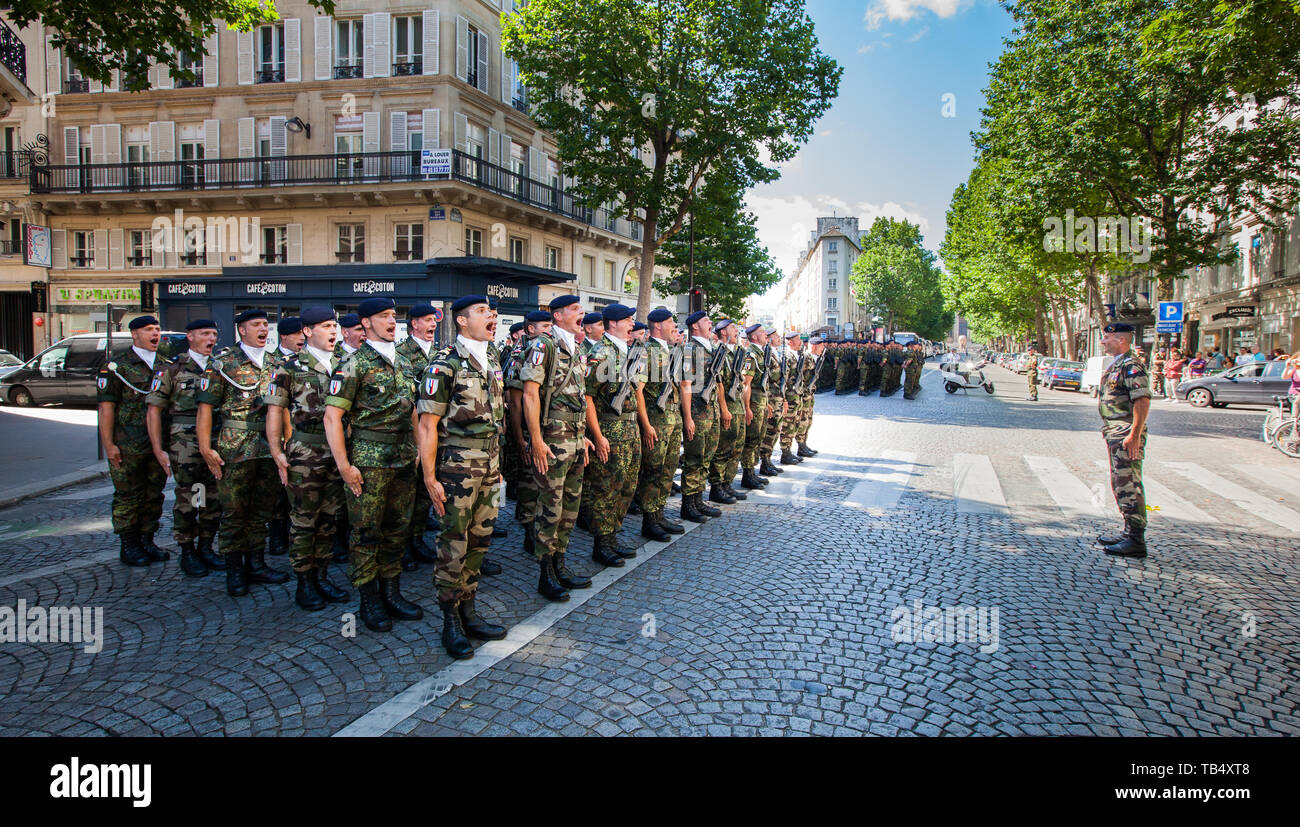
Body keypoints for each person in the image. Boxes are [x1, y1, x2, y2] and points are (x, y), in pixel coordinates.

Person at [323, 297, 423, 633]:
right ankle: (369, 600)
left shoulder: (405, 363)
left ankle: (392, 593)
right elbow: (333, 417)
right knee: (367, 533)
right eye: (383, 316)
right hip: (368, 462)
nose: (392, 321)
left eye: (394, 315)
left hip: (403, 459)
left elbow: (412, 411)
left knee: (398, 529)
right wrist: (344, 466)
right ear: (365, 324)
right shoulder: (353, 365)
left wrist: (420, 450)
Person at [417, 295, 508, 659]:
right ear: (462, 321)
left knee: (479, 539)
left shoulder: (494, 357)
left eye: (492, 312)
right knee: (453, 540)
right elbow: (427, 424)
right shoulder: (444, 363)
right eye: (484, 312)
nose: (493, 316)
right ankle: (449, 619)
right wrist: (429, 476)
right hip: (457, 464)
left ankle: (469, 609)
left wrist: (498, 465)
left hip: (490, 460)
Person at [197, 309, 290, 595]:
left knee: (262, 508)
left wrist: (286, 441)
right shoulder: (223, 363)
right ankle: (235, 570)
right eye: (256, 325)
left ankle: (257, 563)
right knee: (235, 511)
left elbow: (284, 407)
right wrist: (205, 448)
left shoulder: (277, 362)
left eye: (265, 324)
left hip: (267, 446)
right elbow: (205, 408)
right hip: (234, 447)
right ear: (242, 330)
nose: (263, 329)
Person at [265, 307, 350, 611]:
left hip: (337, 451)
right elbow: (275, 409)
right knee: (304, 520)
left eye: (334, 326)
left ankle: (323, 575)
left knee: (329, 517)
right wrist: (277, 451)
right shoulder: (290, 367)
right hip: (305, 450)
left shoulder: (344, 363)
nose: (333, 332)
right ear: (307, 331)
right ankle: (304, 581)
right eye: (326, 326)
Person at [521, 294, 595, 602]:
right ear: (559, 315)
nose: (582, 314)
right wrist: (536, 440)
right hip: (552, 440)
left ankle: (560, 563)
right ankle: (545, 573)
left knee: (569, 507)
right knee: (549, 507)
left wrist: (584, 436)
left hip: (574, 440)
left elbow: (579, 396)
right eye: (577, 310)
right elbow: (529, 394)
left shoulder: (576, 347)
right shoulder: (544, 345)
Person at [146, 318, 224, 576]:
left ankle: (206, 546)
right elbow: (154, 411)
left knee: (212, 496)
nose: (210, 339)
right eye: (204, 334)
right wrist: (159, 449)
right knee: (190, 496)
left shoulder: (220, 367)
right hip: (185, 443)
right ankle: (187, 550)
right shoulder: (172, 370)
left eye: (213, 334)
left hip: (216, 440)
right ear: (190, 336)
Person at [98, 315, 171, 568]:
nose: (155, 334)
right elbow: (106, 408)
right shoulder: (117, 367)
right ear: (135, 335)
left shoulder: (165, 365)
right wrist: (109, 445)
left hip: (156, 446)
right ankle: (129, 545)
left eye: (157, 329)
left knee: (154, 494)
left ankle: (147, 540)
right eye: (148, 330)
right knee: (128, 495)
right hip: (128, 444)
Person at [582, 303, 648, 563]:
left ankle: (612, 536)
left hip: (629, 430)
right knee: (605, 489)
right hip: (610, 430)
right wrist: (597, 436)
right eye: (627, 320)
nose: (632, 324)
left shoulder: (628, 352)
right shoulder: (601, 353)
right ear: (612, 324)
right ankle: (601, 545)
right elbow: (587, 396)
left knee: (626, 487)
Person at [1096, 322, 1152, 558]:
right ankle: (1129, 531)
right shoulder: (1119, 363)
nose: (1103, 342)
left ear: (1121, 339)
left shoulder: (1131, 365)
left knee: (1129, 484)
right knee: (1121, 483)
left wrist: (1134, 434)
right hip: (1116, 432)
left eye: (1107, 338)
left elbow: (1142, 400)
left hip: (1126, 432)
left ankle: (1136, 539)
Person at [395, 304, 442, 573]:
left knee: (425, 492)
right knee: (405, 494)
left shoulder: (439, 354)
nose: (432, 325)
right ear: (413, 324)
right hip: (407, 434)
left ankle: (417, 538)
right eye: (426, 320)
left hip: (432, 433)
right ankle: (401, 546)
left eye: (433, 321)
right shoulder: (402, 354)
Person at [635, 307, 687, 537]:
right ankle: (649, 521)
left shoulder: (672, 351)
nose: (673, 327)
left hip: (672, 419)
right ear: (657, 325)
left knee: (668, 469)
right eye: (670, 323)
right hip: (656, 421)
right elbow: (638, 390)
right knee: (653, 471)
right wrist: (646, 425)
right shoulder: (647, 352)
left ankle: (659, 514)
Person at [507, 311, 553, 552]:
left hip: (546, 426)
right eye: (544, 326)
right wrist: (520, 439)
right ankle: (528, 530)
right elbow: (516, 404)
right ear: (530, 330)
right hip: (528, 428)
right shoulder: (522, 356)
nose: (549, 330)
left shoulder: (549, 350)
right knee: (529, 482)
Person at [265, 316, 303, 558]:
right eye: (296, 334)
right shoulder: (275, 363)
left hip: (295, 436)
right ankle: (277, 536)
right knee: (276, 491)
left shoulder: (302, 363)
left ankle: (291, 533)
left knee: (293, 491)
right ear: (284, 337)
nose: (301, 338)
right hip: (271, 435)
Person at [708, 318, 753, 503]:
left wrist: (746, 407)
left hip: (739, 406)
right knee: (723, 449)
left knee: (737, 448)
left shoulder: (740, 353)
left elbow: (743, 382)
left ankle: (728, 484)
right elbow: (718, 385)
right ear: (724, 332)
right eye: (733, 328)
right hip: (726, 406)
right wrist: (724, 409)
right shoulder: (718, 354)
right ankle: (717, 487)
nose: (737, 331)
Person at [739, 323, 774, 491]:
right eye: (761, 332)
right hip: (753, 404)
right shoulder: (751, 355)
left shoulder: (761, 354)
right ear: (753, 337)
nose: (765, 334)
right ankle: (747, 474)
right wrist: (747, 408)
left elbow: (763, 384)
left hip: (760, 403)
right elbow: (746, 384)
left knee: (758, 438)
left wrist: (767, 404)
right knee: (751, 440)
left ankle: (752, 472)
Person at [756, 326, 787, 479]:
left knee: (776, 429)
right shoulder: (766, 354)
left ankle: (768, 460)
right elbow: (768, 377)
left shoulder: (775, 353)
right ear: (768, 338)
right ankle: (764, 461)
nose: (779, 338)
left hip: (778, 398)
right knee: (769, 429)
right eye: (776, 336)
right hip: (770, 398)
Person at [778, 331, 806, 464]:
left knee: (794, 423)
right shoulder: (787, 357)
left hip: (796, 396)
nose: (800, 342)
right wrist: (783, 400)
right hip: (789, 397)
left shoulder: (797, 356)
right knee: (787, 425)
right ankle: (785, 453)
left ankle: (789, 450)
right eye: (797, 340)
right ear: (790, 342)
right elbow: (783, 380)